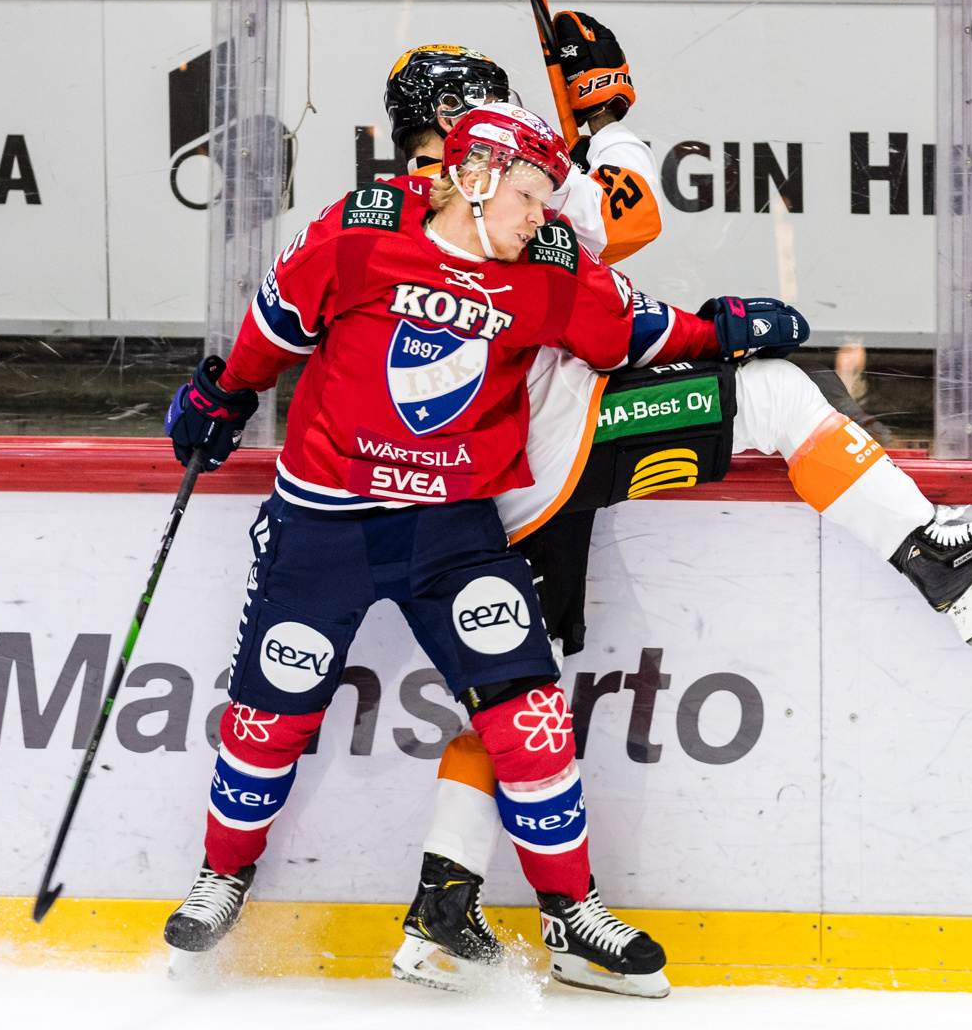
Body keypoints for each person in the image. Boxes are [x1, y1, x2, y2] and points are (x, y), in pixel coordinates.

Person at [377, 28, 972, 994]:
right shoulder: (493, 196)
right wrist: (604, 114)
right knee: (774, 392)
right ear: (458, 124)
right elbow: (628, 217)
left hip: (473, 478)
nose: (519, 131)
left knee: (517, 697)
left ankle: (441, 912)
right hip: (547, 452)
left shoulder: (380, 211)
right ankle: (935, 558)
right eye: (499, 111)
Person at [158, 103, 814, 1000]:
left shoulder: (548, 270)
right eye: (534, 192)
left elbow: (635, 331)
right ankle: (222, 874)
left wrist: (725, 329)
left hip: (453, 531)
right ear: (473, 179)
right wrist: (223, 394)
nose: (546, 212)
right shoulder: (358, 235)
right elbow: (276, 327)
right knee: (270, 716)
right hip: (324, 522)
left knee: (531, 714)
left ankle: (572, 913)